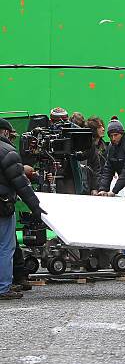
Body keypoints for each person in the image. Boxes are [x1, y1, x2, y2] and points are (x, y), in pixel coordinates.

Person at [0, 118, 46, 300]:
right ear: (5, 132)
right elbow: (21, 185)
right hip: (2, 207)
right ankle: (3, 288)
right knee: (5, 247)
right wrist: (35, 206)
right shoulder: (7, 152)